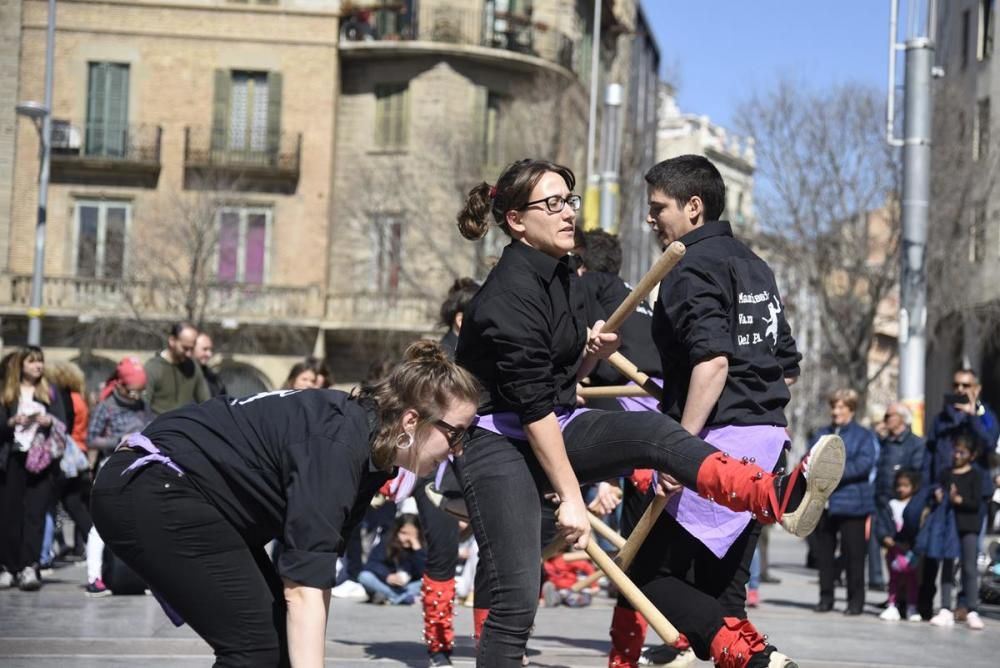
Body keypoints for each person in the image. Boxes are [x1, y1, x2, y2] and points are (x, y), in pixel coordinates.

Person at [453, 158, 845, 668]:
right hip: (501, 440)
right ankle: (749, 650)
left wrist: (587, 353)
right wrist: (573, 498)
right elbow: (530, 406)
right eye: (553, 204)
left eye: (569, 201)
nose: (569, 212)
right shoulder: (508, 293)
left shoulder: (571, 275)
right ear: (516, 220)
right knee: (519, 594)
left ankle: (772, 495)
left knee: (651, 452)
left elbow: (564, 381)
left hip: (575, 424)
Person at [90, 341, 480, 667]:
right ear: (412, 421)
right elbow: (303, 589)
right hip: (152, 485)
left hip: (179, 487)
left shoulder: (369, 451)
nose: (458, 450)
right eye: (456, 434)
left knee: (274, 644)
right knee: (255, 647)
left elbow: (313, 570)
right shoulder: (340, 447)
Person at [610, 155, 803, 668]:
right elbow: (787, 365)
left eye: (658, 208)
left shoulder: (688, 266)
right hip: (767, 442)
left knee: (643, 574)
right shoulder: (754, 264)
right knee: (723, 592)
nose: (651, 219)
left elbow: (713, 362)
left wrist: (679, 451)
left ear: (693, 207)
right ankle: (756, 659)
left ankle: (760, 660)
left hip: (716, 445)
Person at [923, 368, 999, 621]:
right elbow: (930, 454)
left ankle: (966, 604)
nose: (959, 390)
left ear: (975, 388)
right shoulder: (942, 418)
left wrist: (972, 415)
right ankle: (939, 604)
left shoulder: (985, 415)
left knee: (970, 552)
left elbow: (989, 443)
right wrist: (931, 487)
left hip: (974, 496)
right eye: (956, 385)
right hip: (944, 492)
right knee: (942, 550)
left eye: (965, 386)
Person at [83, 356, 153, 596]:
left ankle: (146, 578)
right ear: (121, 386)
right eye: (134, 391)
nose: (137, 396)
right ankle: (95, 578)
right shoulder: (107, 406)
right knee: (100, 526)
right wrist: (119, 441)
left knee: (143, 523)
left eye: (140, 391)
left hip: (139, 469)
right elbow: (91, 438)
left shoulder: (143, 405)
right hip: (111, 468)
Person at [0, 346, 68, 591]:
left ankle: (30, 566)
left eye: (40, 362)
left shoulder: (50, 392)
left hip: (41, 460)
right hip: (13, 459)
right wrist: (11, 422)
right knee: (9, 515)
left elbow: (63, 422)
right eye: (32, 362)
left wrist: (49, 421)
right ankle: (9, 567)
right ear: (21, 365)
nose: (38, 366)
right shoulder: (7, 392)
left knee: (35, 515)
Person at [810, 389, 878, 615]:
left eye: (841, 407)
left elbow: (864, 464)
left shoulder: (863, 435)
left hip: (853, 504)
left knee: (854, 555)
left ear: (851, 409)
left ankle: (855, 601)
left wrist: (832, 474)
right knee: (824, 555)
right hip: (824, 504)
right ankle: (825, 598)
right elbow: (809, 458)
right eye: (834, 406)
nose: (835, 411)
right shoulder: (822, 433)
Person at [926, 435, 985, 630]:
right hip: (947, 526)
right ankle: (944, 607)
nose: (957, 455)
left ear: (972, 455)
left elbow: (977, 502)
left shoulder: (975, 475)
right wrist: (938, 494)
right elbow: (935, 490)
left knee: (969, 568)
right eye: (956, 451)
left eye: (962, 452)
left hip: (968, 525)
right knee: (947, 567)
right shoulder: (946, 473)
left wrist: (960, 500)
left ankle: (972, 609)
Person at [872, 403, 924, 598]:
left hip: (904, 506)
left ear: (902, 418)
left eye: (889, 416)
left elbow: (916, 472)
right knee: (890, 552)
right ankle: (893, 595)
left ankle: (907, 598)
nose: (885, 420)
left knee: (906, 553)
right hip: (883, 503)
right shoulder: (883, 442)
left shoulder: (916, 443)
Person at [43, 360, 92, 560]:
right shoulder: (79, 398)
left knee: (59, 504)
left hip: (69, 455)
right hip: (79, 454)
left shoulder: (67, 399)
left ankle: (47, 552)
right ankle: (81, 545)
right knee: (74, 504)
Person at [877, 468, 921, 622]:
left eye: (906, 485)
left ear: (914, 487)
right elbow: (882, 524)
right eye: (899, 485)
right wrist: (885, 537)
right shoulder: (891, 504)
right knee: (894, 580)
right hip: (894, 550)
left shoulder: (917, 505)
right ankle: (892, 605)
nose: (901, 489)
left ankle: (911, 606)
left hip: (911, 550)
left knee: (912, 581)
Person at [357, 513, 426, 605]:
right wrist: (387, 576)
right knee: (364, 576)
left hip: (408, 586)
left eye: (412, 534)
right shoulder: (387, 542)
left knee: (426, 582)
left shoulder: (421, 547)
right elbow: (372, 564)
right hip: (387, 584)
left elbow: (425, 572)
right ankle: (402, 598)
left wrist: (417, 549)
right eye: (404, 533)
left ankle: (391, 597)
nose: (407, 538)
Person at [144, 321, 211, 415]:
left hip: (185, 425)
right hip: (159, 425)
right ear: (172, 341)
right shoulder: (153, 368)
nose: (188, 353)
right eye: (185, 348)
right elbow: (144, 405)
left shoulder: (193, 367)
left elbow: (206, 402)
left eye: (192, 349)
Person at [194, 333, 228, 397]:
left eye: (210, 350)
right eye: (205, 349)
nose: (209, 354)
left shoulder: (215, 380)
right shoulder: (181, 375)